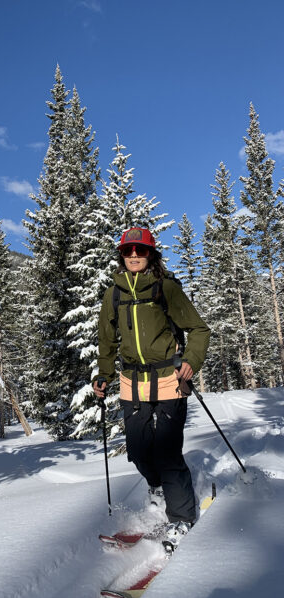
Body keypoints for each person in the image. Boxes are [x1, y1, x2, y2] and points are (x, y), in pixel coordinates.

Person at [93, 227, 210, 551]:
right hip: (132, 380)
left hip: (169, 377)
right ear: (122, 254)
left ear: (151, 254)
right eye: (128, 250)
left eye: (140, 250)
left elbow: (198, 329)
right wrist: (103, 375)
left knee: (167, 452)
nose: (134, 255)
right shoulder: (113, 294)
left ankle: (182, 517)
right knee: (139, 450)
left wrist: (191, 360)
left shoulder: (166, 288)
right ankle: (157, 486)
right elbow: (106, 340)